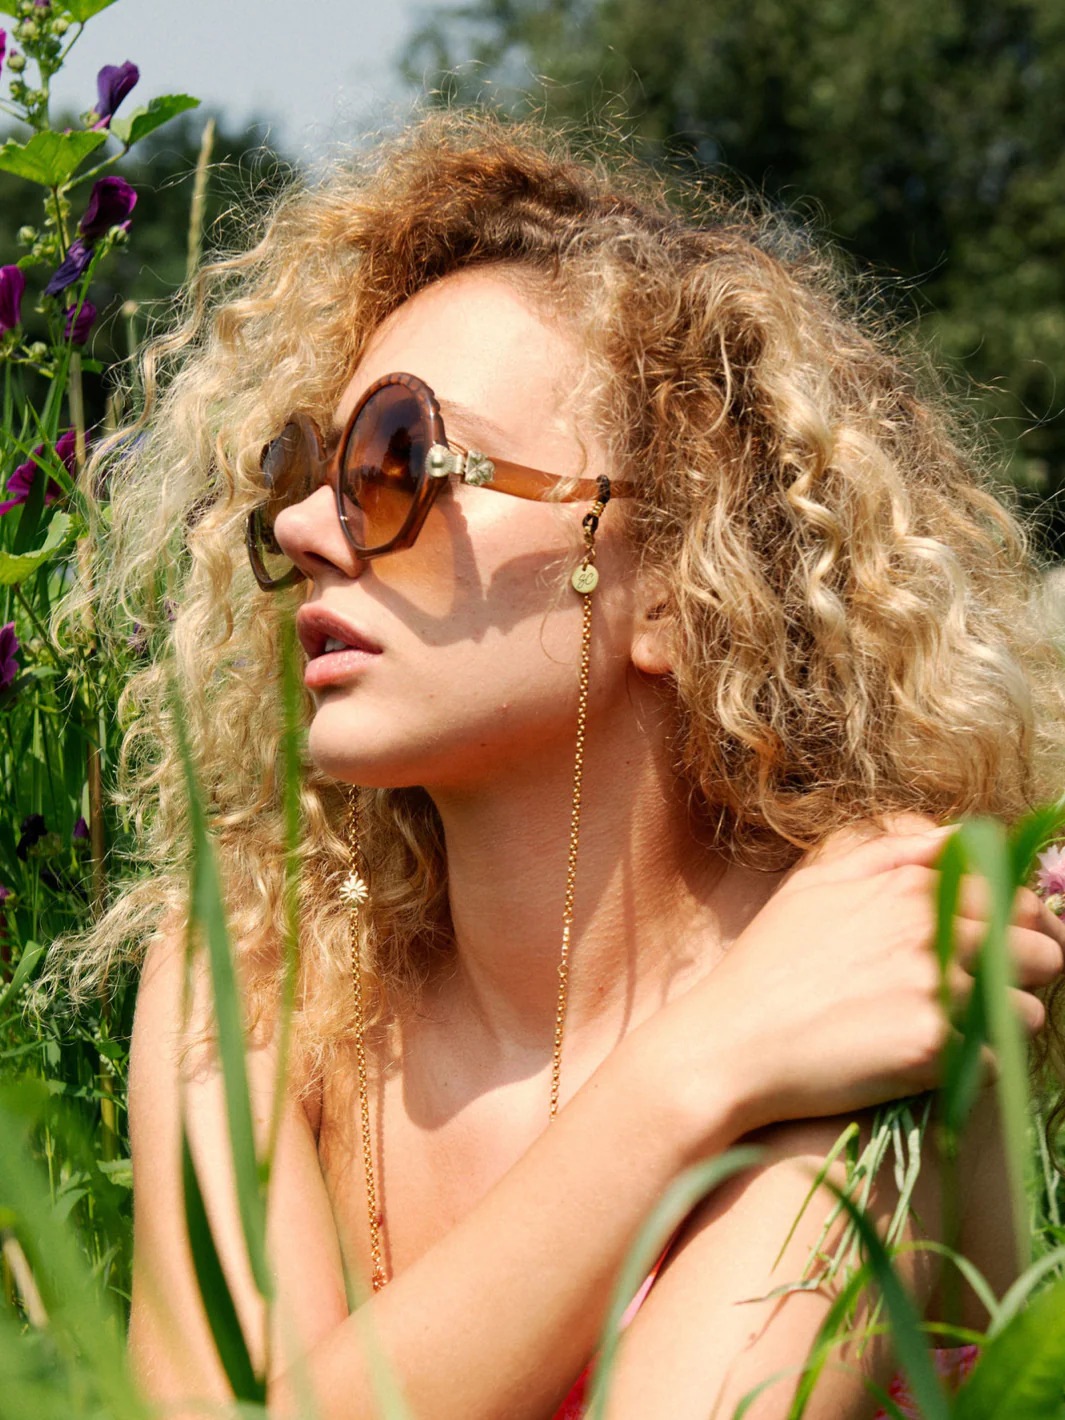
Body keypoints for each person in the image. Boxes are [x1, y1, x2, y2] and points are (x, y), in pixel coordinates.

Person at [54, 111, 1065, 1418]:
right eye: (309, 469)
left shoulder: (871, 968)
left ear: (674, 583)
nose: (302, 524)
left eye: (399, 460)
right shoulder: (255, 972)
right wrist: (692, 1074)